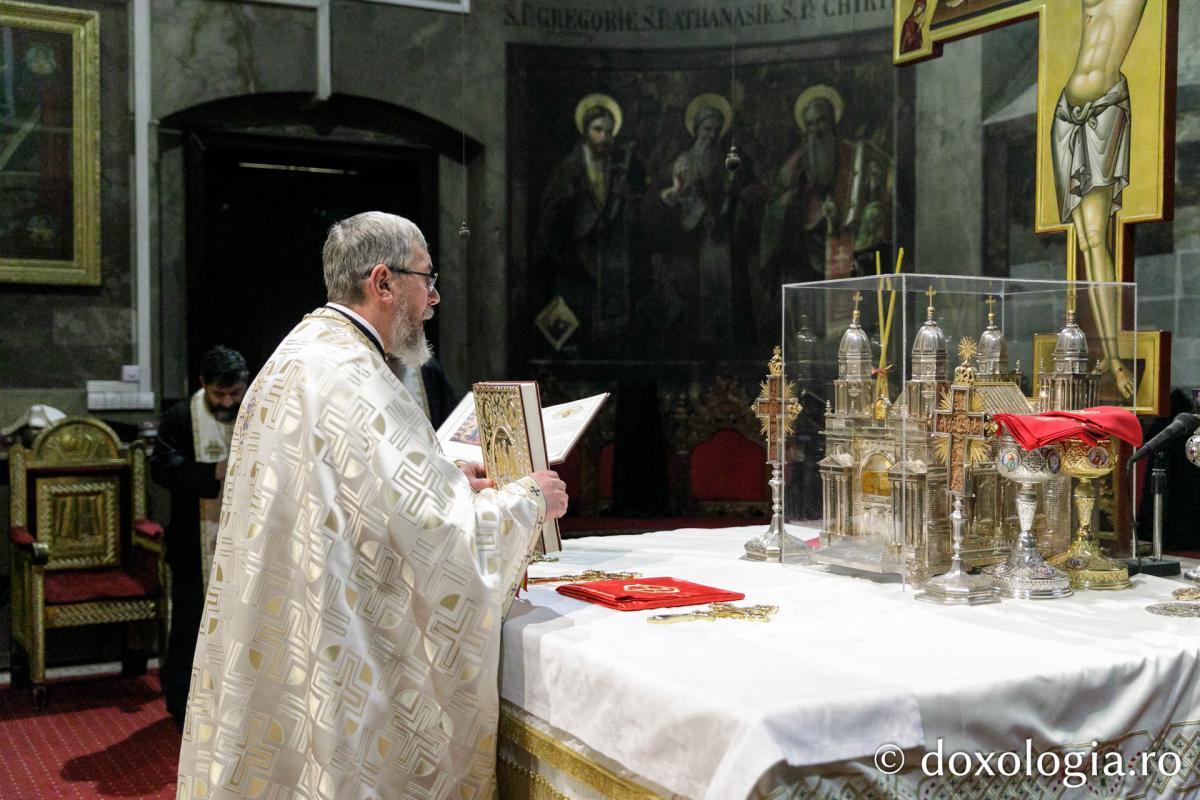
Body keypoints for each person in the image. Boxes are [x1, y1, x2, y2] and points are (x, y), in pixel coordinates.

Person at [175, 211, 568, 798]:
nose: (434, 298)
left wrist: (453, 477)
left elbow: (357, 494)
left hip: (289, 620)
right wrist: (529, 499)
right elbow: (444, 544)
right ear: (383, 283)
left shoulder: (298, 356)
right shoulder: (356, 377)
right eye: (426, 279)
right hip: (347, 647)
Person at [1052, 0, 1146, 399]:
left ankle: (1115, 356)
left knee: (1097, 237)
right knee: (1088, 241)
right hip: (1066, 115)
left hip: (1103, 110)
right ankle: (1108, 355)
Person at [151, 345, 248, 728]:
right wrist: (212, 473)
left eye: (234, 393)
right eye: (219, 394)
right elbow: (163, 467)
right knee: (191, 623)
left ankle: (239, 705)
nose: (227, 402)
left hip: (246, 541)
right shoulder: (179, 417)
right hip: (195, 541)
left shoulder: (255, 411)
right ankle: (185, 705)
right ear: (202, 383)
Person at [534, 94, 644, 353]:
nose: (604, 137)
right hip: (572, 257)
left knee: (606, 330)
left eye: (608, 131)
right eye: (598, 130)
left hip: (608, 259)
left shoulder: (619, 170)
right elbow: (551, 210)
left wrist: (625, 200)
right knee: (573, 321)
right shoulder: (569, 168)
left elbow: (629, 217)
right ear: (585, 131)